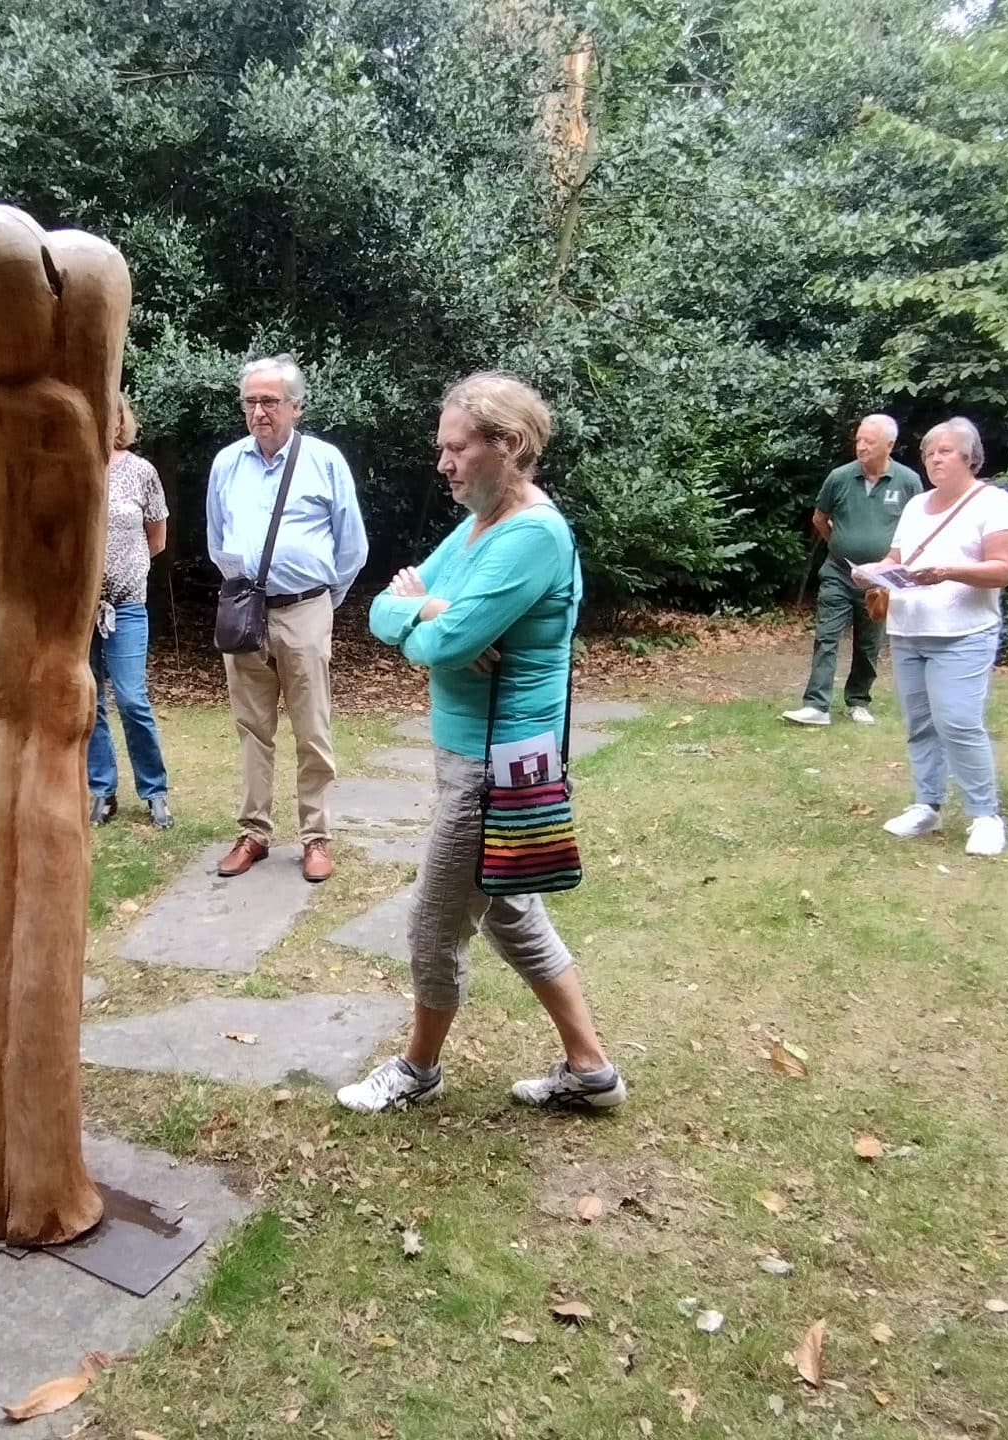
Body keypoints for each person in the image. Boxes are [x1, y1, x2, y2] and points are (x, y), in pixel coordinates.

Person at [339, 372, 625, 1116]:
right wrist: (433, 611)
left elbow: (447, 644)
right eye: (443, 447)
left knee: (435, 923)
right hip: (478, 756)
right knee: (509, 911)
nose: (444, 463)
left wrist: (433, 618)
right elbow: (380, 610)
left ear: (510, 445)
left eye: (458, 448)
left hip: (496, 768)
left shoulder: (531, 535)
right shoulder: (477, 526)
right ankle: (592, 1070)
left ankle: (418, 1070)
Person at [206, 354, 368, 883]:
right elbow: (217, 538)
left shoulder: (324, 461)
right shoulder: (227, 463)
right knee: (252, 728)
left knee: (312, 727)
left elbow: (352, 547)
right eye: (250, 402)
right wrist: (244, 589)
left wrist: (322, 602)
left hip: (305, 608)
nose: (259, 412)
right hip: (246, 610)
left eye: (270, 402)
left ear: (295, 406)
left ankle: (316, 837)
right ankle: (254, 832)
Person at [852, 418, 1008, 856]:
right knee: (920, 725)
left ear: (970, 457)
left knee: (959, 723)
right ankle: (927, 805)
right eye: (929, 453)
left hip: (963, 633)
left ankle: (985, 815)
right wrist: (871, 572)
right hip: (908, 630)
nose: (934, 459)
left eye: (944, 451)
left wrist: (948, 572)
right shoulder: (916, 506)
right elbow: (896, 558)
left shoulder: (994, 503)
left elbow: (1005, 569)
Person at [788, 414, 925, 727]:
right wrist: (841, 545)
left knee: (869, 643)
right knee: (826, 636)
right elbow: (819, 518)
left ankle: (858, 700)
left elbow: (918, 529)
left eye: (869, 441)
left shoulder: (908, 482)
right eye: (859, 439)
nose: (861, 446)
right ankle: (816, 705)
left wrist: (891, 565)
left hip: (879, 581)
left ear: (889, 445)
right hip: (838, 572)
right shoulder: (839, 477)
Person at [87, 397, 172, 829]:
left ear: (121, 419)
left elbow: (156, 539)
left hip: (126, 606)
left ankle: (154, 791)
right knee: (89, 701)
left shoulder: (142, 471)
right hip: (78, 610)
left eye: (113, 413)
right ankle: (102, 790)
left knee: (131, 698)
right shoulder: (75, 466)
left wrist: (125, 568)